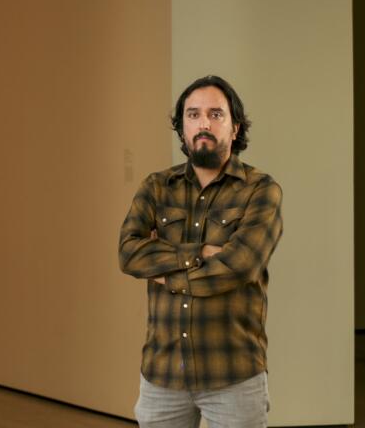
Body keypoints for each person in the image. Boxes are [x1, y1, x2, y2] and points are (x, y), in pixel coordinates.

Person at [119, 75, 283, 428]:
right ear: (181, 129)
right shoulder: (156, 187)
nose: (203, 123)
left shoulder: (261, 191)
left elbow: (238, 266)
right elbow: (129, 253)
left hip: (233, 374)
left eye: (215, 114)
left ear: (235, 127)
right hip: (162, 374)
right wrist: (201, 253)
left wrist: (162, 269)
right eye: (192, 115)